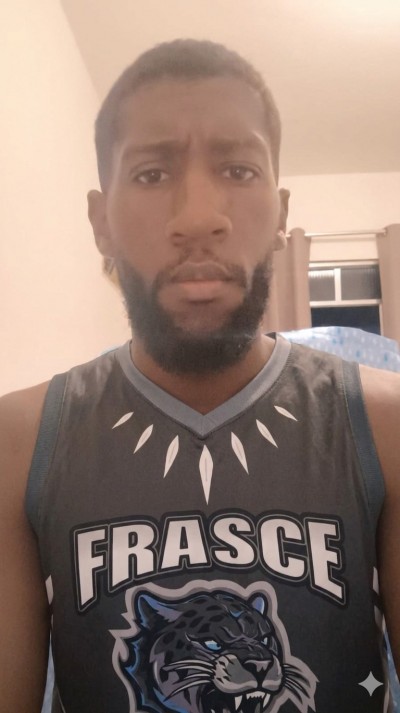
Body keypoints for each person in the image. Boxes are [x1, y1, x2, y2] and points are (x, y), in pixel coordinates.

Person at [0, 39, 399, 713]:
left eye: (238, 169)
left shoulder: (386, 425)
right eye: (152, 174)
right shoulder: (17, 442)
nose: (198, 218)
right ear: (101, 221)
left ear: (281, 212)